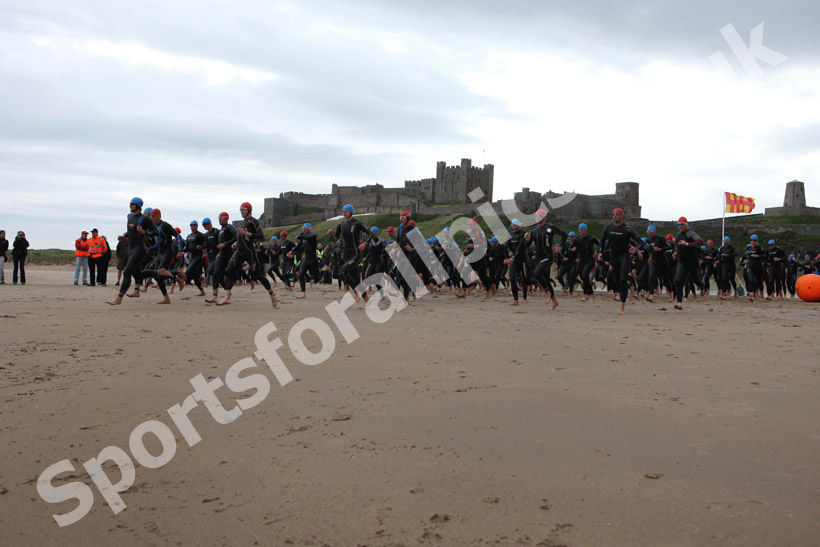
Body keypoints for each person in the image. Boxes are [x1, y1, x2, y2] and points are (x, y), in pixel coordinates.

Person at [217, 202, 278, 307]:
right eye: (240, 209)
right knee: (228, 270)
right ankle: (227, 297)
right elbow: (238, 236)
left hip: (250, 252)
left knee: (258, 275)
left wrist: (248, 234)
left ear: (249, 210)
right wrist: (235, 243)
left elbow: (261, 236)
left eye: (243, 209)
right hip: (239, 252)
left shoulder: (253, 222)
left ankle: (271, 293)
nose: (241, 211)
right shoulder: (241, 223)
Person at [107, 198, 158, 305]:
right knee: (137, 273)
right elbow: (130, 231)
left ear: (138, 206)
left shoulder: (144, 219)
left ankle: (119, 298)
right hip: (130, 248)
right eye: (130, 204)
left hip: (139, 249)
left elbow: (155, 232)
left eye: (132, 204)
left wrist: (144, 232)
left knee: (127, 271)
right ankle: (138, 290)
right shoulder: (129, 217)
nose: (130, 206)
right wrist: (124, 236)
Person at [599, 208, 642, 314]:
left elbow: (639, 241)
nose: (614, 216)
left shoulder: (627, 229)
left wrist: (636, 249)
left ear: (622, 216)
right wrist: (600, 252)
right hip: (614, 257)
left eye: (617, 214)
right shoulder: (608, 228)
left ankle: (622, 306)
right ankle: (620, 293)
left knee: (623, 279)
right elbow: (602, 241)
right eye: (613, 214)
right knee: (617, 279)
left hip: (624, 256)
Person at [333, 204, 369, 302]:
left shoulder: (357, 224)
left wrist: (365, 243)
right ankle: (367, 299)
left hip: (356, 253)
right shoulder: (341, 225)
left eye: (346, 211)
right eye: (343, 211)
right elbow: (334, 240)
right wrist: (331, 235)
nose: (344, 213)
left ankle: (356, 291)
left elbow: (370, 233)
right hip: (347, 254)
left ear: (351, 212)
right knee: (356, 279)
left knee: (342, 273)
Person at [671, 217, 704, 310]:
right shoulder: (678, 235)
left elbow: (700, 242)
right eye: (678, 224)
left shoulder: (690, 233)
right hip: (682, 261)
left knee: (696, 280)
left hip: (692, 262)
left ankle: (701, 286)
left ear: (686, 225)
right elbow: (677, 245)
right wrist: (675, 252)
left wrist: (688, 244)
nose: (680, 226)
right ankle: (679, 303)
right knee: (678, 280)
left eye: (682, 224)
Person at [205, 212, 236, 304]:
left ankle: (228, 295)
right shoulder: (221, 229)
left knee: (229, 273)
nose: (219, 219)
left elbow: (236, 237)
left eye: (221, 217)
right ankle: (215, 296)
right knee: (214, 272)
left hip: (229, 254)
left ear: (226, 218)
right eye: (218, 217)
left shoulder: (229, 227)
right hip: (221, 254)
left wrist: (226, 244)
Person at [289, 223, 320, 299]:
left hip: (313, 259)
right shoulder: (303, 238)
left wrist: (302, 234)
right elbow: (298, 246)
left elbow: (300, 236)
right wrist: (291, 252)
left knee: (316, 279)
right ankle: (303, 293)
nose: (303, 230)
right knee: (300, 274)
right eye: (302, 228)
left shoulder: (312, 236)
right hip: (306, 258)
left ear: (309, 229)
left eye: (305, 228)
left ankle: (324, 270)